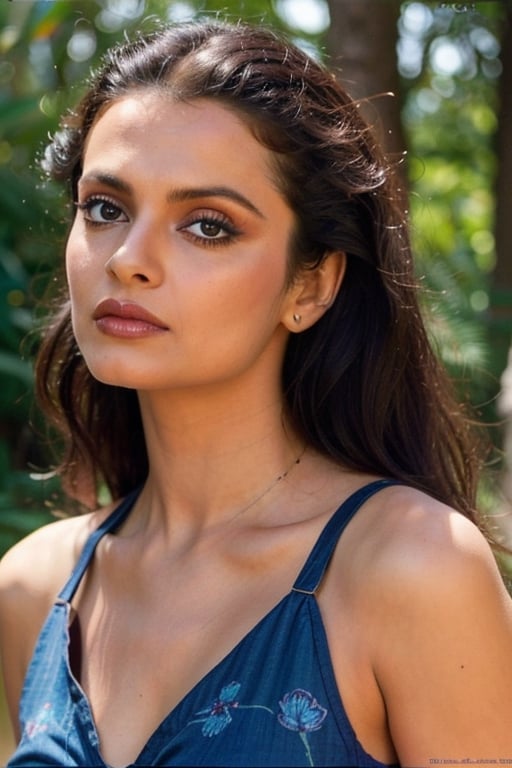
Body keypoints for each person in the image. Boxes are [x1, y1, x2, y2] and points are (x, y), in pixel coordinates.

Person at [0, 19, 511, 768]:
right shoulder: (31, 589)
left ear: (310, 286)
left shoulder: (409, 568)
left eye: (207, 226)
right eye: (105, 208)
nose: (130, 260)